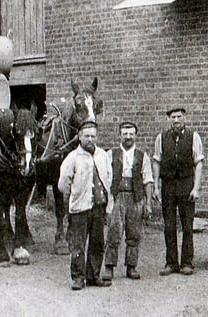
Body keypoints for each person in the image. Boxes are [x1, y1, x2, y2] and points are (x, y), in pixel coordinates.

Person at [58, 120, 113, 290]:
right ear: (80, 137)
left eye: (93, 136)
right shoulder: (72, 158)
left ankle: (93, 275)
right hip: (80, 208)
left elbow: (109, 178)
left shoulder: (103, 155)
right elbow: (63, 184)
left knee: (97, 243)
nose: (90, 139)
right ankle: (78, 277)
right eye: (86, 136)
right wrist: (74, 196)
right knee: (78, 244)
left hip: (98, 206)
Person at [152, 107, 204, 276]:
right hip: (168, 185)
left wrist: (196, 187)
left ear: (185, 118)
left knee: (187, 225)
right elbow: (157, 162)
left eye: (179, 116)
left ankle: (187, 262)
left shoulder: (193, 137)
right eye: (173, 117)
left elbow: (199, 163)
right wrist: (156, 186)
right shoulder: (161, 138)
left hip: (186, 184)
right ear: (169, 119)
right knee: (169, 225)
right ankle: (171, 262)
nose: (176, 119)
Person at [103, 121, 153, 283]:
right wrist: (108, 200)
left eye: (131, 133)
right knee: (114, 232)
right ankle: (109, 266)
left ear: (136, 135)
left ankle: (131, 266)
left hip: (135, 196)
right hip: (117, 196)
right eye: (125, 133)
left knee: (134, 233)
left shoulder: (142, 156)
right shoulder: (110, 154)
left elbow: (148, 180)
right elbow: (105, 178)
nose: (128, 137)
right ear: (120, 135)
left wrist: (147, 203)